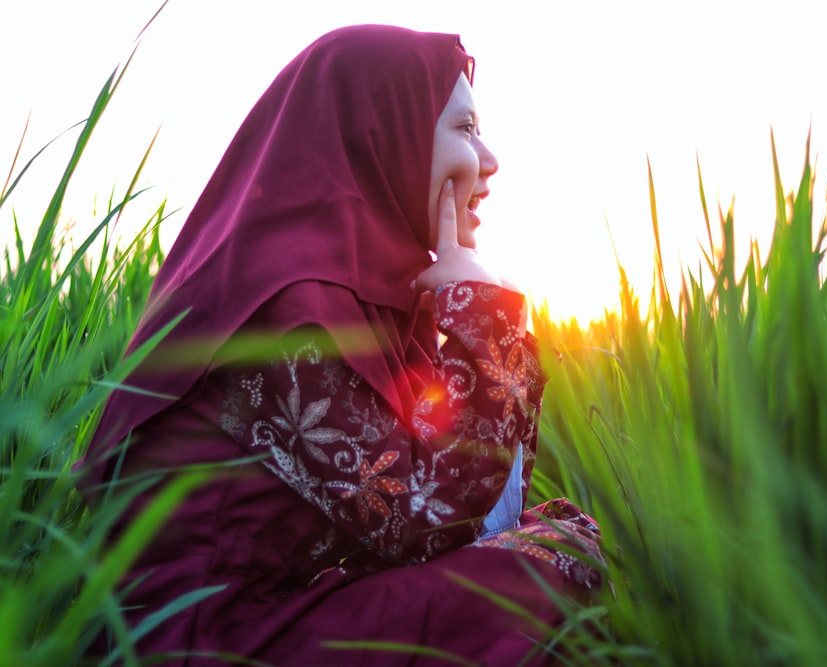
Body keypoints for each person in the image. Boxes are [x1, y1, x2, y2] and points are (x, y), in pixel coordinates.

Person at [76, 23, 602, 667]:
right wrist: (487, 322)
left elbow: (492, 501)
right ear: (383, 135)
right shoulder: (286, 313)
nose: (489, 159)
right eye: (464, 130)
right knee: (545, 571)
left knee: (557, 544)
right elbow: (427, 521)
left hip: (273, 607)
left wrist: (481, 315)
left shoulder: (366, 304)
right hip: (198, 638)